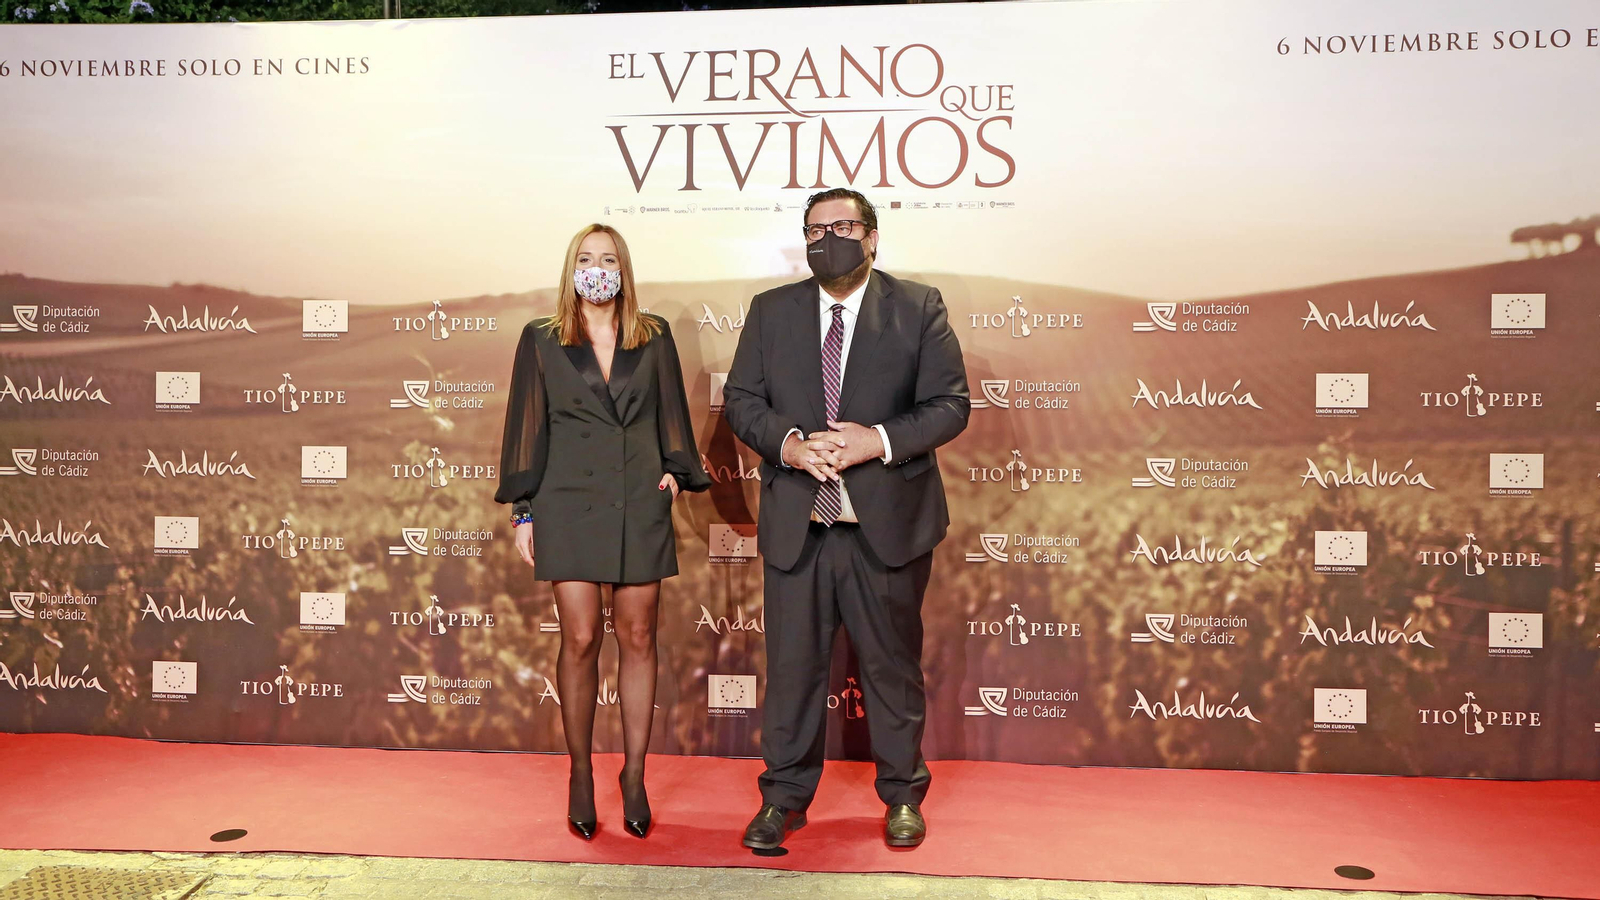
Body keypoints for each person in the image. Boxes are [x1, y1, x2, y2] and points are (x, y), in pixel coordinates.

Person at [722, 188, 970, 850]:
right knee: (793, 670)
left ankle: (902, 797)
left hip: (886, 525)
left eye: (843, 225)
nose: (828, 236)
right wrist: (792, 445)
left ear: (872, 237)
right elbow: (742, 398)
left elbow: (949, 405)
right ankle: (782, 799)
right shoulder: (771, 312)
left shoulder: (918, 307)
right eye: (815, 228)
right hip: (799, 524)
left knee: (892, 668)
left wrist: (876, 440)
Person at [494, 224, 711, 840]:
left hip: (637, 498)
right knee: (583, 637)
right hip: (567, 501)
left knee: (639, 634)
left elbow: (672, 412)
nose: (596, 267)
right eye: (585, 259)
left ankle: (635, 775)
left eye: (607, 258)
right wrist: (524, 511)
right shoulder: (540, 339)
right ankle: (582, 773)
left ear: (624, 269)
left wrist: (675, 472)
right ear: (571, 271)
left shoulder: (655, 335)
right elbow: (526, 427)